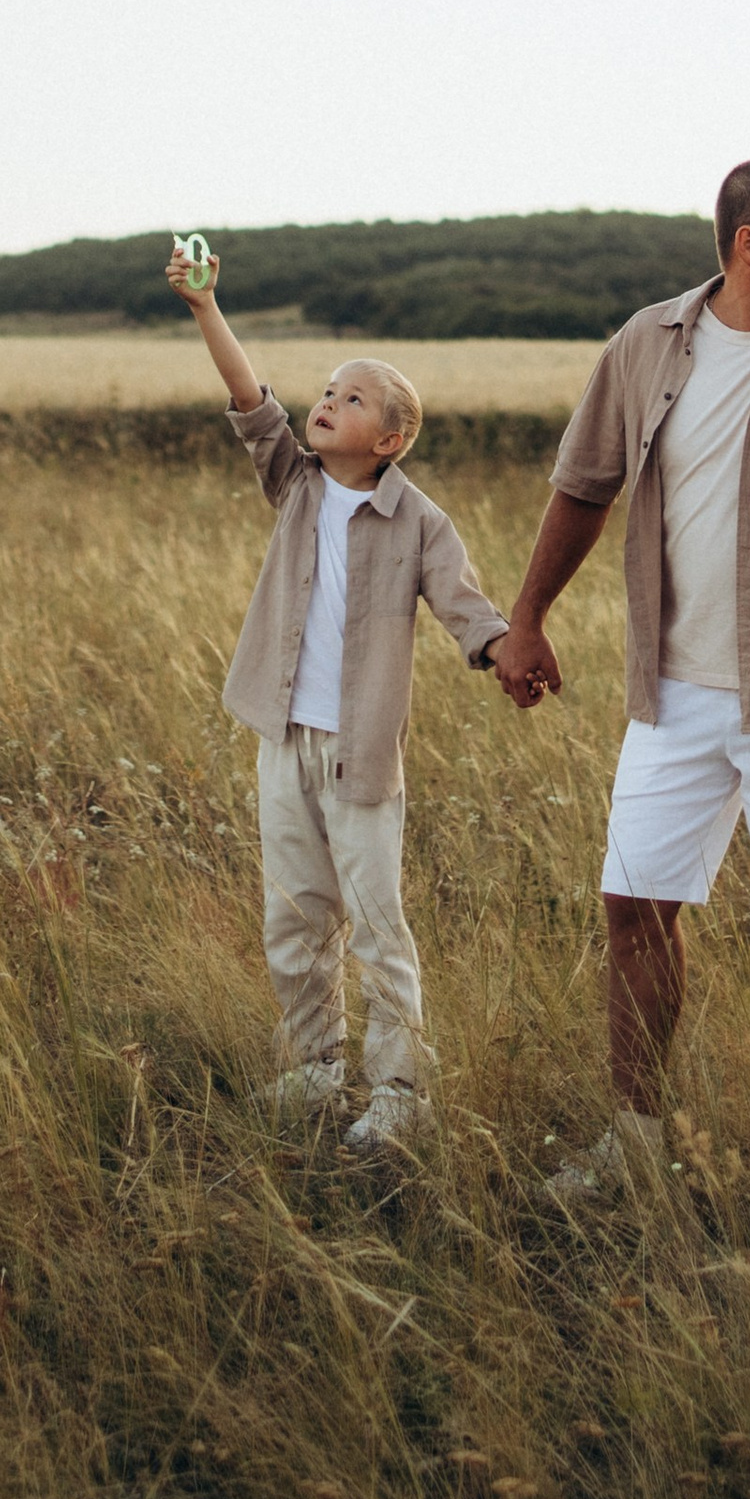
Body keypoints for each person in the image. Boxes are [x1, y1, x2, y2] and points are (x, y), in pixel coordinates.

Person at [492, 159, 750, 1248]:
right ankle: (630, 1141)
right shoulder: (648, 341)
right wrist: (526, 616)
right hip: (671, 690)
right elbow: (584, 484)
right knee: (634, 905)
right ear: (748, 243)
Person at [167, 238, 529, 1153]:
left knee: (375, 926)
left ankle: (399, 1088)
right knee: (293, 917)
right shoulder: (295, 482)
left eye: (351, 397)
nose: (327, 403)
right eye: (326, 391)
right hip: (281, 734)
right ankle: (314, 1067)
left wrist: (502, 648)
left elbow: (463, 601)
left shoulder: (418, 519)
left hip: (359, 751)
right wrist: (208, 307)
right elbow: (253, 402)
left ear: (392, 437)